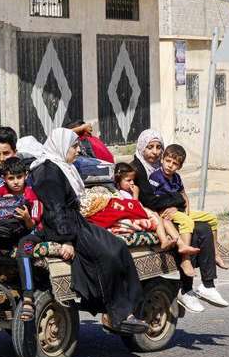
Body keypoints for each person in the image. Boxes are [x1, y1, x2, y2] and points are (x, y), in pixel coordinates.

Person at [16, 128, 148, 333]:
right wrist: (66, 240)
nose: (78, 150)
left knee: (119, 247)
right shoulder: (48, 171)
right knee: (108, 255)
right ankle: (116, 314)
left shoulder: (60, 166)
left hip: (74, 222)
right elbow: (55, 209)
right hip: (63, 227)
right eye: (74, 146)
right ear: (62, 147)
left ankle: (133, 310)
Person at [130, 129, 228, 313]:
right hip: (154, 216)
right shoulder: (138, 169)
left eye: (159, 147)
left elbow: (180, 196)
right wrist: (178, 201)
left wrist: (180, 204)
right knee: (196, 230)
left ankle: (207, 285)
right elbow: (150, 201)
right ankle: (187, 287)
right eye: (150, 147)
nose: (155, 152)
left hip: (169, 213)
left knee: (205, 227)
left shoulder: (166, 171)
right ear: (142, 147)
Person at [150, 144, 229, 270]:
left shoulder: (176, 178)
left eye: (174, 163)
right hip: (166, 213)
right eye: (168, 161)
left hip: (179, 210)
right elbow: (153, 200)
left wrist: (186, 211)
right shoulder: (155, 177)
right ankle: (185, 258)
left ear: (180, 166)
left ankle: (216, 253)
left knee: (212, 218)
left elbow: (184, 195)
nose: (170, 165)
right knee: (187, 222)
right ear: (162, 160)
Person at [115, 162, 200, 265]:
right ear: (118, 182)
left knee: (165, 221)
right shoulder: (121, 194)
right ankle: (165, 240)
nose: (132, 183)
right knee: (158, 218)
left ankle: (181, 245)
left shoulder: (128, 191)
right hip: (137, 216)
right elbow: (133, 208)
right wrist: (136, 195)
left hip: (145, 213)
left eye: (133, 180)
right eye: (128, 180)